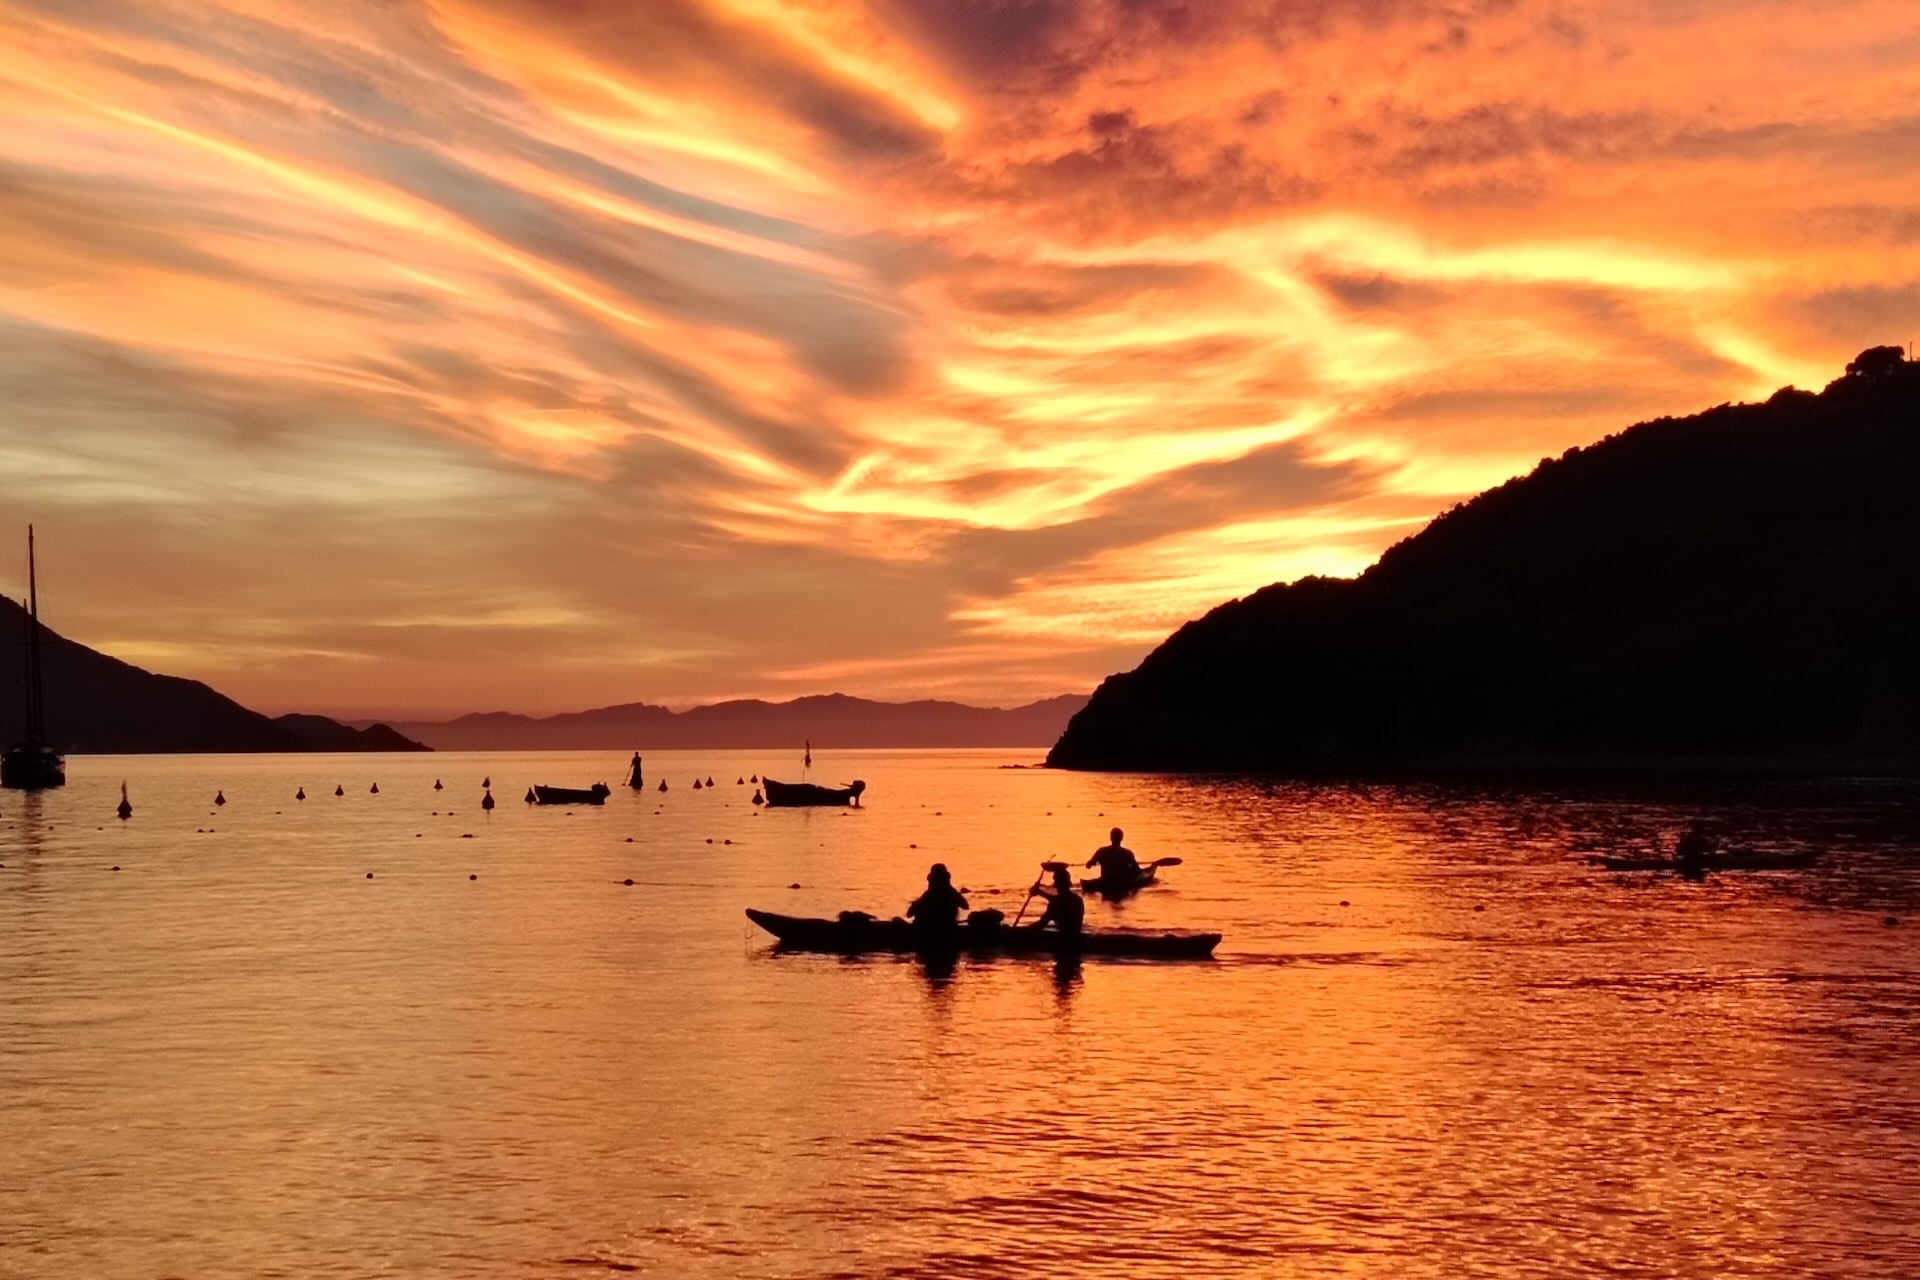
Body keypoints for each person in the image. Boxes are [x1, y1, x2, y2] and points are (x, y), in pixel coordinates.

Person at [906, 863, 968, 940]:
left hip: (927, 933)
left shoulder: (929, 895)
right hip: (948, 931)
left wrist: (916, 903)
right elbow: (965, 906)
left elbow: (909, 914)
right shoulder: (952, 893)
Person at [1028, 866, 1084, 938]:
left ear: (1056, 884)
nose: (1054, 883)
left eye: (1055, 880)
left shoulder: (1056, 903)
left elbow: (1041, 925)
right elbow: (1060, 901)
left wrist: (1023, 932)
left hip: (1064, 940)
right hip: (1075, 937)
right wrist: (1040, 892)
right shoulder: (1077, 899)